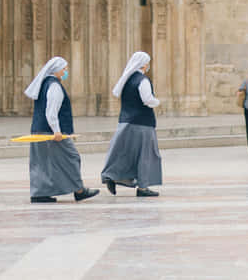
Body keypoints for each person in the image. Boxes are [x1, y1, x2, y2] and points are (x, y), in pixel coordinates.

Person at [25, 56, 99, 204]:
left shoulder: (44, 84)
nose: (66, 72)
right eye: (64, 69)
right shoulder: (54, 86)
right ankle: (79, 190)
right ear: (57, 70)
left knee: (41, 162)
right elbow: (51, 112)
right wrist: (57, 131)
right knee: (71, 157)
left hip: (39, 129)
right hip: (51, 132)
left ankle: (40, 193)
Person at [101, 51, 163, 197]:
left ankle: (111, 175)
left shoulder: (127, 80)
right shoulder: (143, 80)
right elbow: (147, 99)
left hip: (126, 122)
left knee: (122, 151)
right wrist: (158, 102)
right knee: (145, 155)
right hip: (142, 123)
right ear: (144, 64)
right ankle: (143, 187)